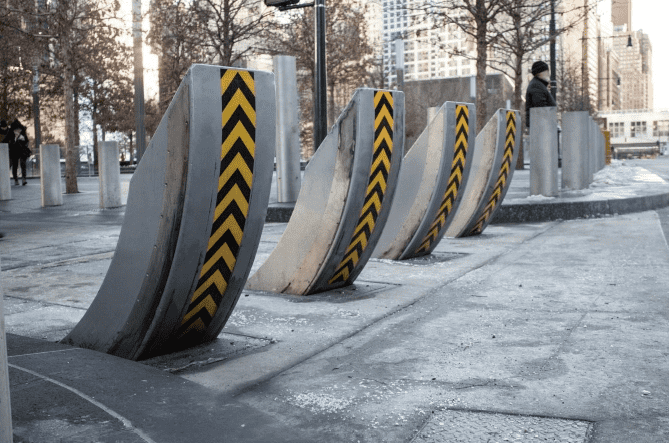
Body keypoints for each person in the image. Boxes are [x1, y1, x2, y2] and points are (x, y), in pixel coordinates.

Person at [525, 61, 557, 128]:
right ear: (539, 73)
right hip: (541, 129)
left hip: (540, 127)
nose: (548, 74)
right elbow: (541, 109)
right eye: (546, 71)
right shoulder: (537, 85)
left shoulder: (539, 85)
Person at [2, 119, 30, 185]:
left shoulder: (21, 132)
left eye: (19, 129)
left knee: (20, 165)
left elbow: (26, 141)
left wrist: (22, 141)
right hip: (16, 151)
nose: (18, 131)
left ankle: (20, 179)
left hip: (19, 150)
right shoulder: (12, 132)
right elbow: (5, 140)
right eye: (16, 129)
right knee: (17, 165)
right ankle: (19, 179)